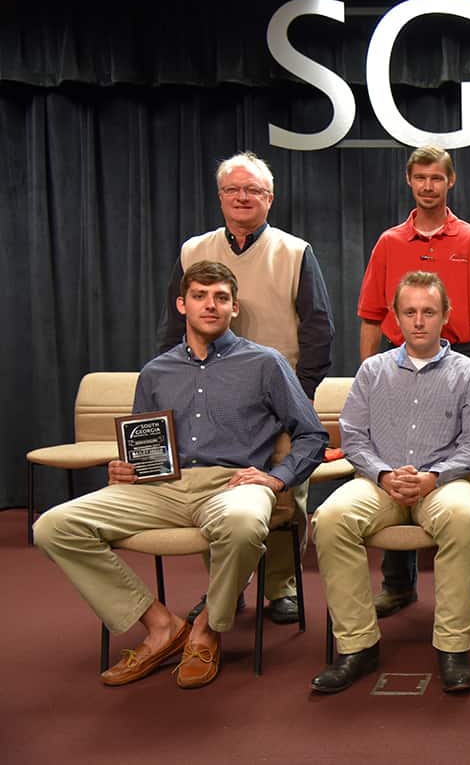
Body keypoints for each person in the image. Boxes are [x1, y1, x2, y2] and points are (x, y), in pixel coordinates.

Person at [36, 261, 327, 689]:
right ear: (182, 305)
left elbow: (312, 434)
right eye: (200, 296)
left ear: (234, 307)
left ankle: (208, 628)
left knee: (245, 524)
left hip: (233, 484)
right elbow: (145, 447)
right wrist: (128, 469)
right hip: (163, 488)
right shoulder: (156, 371)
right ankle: (162, 626)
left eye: (221, 298)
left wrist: (278, 478)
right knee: (53, 526)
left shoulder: (266, 364)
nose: (210, 305)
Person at [158, 151, 334, 627]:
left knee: (280, 495)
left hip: (278, 397)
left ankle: (281, 587)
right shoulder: (194, 250)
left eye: (252, 190)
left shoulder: (294, 252)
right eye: (233, 189)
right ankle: (227, 588)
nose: (242, 197)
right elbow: (173, 328)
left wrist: (302, 396)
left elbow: (318, 329)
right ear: (220, 197)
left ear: (269, 199)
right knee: (215, 488)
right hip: (207, 397)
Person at [310, 271, 470, 695]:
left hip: (442, 481)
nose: (418, 321)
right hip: (381, 482)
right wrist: (382, 474)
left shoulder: (469, 373)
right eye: (409, 312)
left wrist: (434, 477)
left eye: (429, 312)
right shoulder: (372, 371)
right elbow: (353, 436)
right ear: (395, 318)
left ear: (445, 315)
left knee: (464, 518)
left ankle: (452, 648)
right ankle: (358, 646)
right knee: (331, 517)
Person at [356, 145, 470, 619]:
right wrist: (371, 375)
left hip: (463, 359)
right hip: (396, 362)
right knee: (396, 466)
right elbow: (369, 316)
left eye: (436, 178)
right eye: (420, 177)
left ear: (451, 182)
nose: (428, 186)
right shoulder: (388, 242)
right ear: (409, 181)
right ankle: (398, 582)